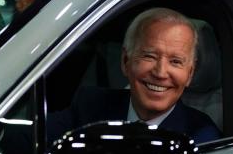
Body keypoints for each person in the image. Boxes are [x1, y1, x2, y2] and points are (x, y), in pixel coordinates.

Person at [50, 7, 221, 144]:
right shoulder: (90, 106)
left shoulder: (202, 138)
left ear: (190, 74)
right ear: (126, 61)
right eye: (149, 56)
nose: (160, 73)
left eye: (175, 61)